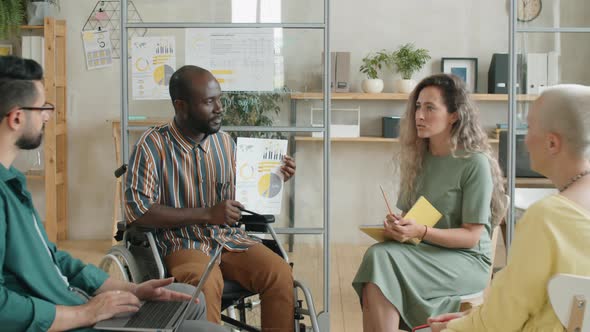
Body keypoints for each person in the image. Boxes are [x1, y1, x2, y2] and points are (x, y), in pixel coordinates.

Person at [0, 55, 226, 332]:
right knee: (211, 330)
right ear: (17, 117)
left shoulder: (13, 183)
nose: (48, 115)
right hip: (71, 321)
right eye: (42, 107)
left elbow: (55, 259)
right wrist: (86, 313)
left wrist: (132, 289)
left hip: (79, 304)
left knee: (192, 300)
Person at [125, 65, 296, 331]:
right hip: (180, 241)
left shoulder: (225, 143)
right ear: (181, 106)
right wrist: (206, 213)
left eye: (219, 99)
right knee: (204, 282)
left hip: (228, 238)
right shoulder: (152, 145)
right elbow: (138, 211)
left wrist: (274, 180)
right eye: (209, 101)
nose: (219, 108)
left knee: (279, 272)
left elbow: (243, 197)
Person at [428, 84, 590, 332]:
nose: (524, 140)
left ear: (552, 143)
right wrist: (468, 319)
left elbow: (501, 321)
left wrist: (453, 328)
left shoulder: (549, 218)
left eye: (529, 128)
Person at [352, 74, 507, 331]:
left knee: (380, 261)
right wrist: (399, 227)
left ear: (454, 115)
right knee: (379, 257)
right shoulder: (418, 158)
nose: (419, 115)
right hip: (424, 252)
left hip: (466, 260)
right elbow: (410, 219)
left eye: (430, 108)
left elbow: (471, 237)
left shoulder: (474, 163)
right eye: (418, 107)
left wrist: (421, 231)